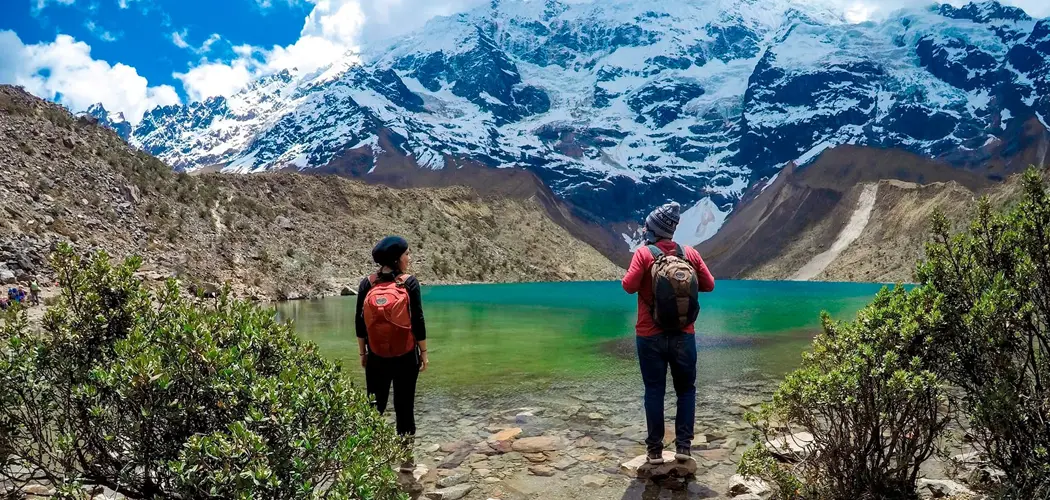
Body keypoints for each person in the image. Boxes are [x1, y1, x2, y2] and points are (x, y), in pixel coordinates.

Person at [622, 202, 716, 465]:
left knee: (654, 391)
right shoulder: (690, 254)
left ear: (653, 228)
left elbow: (628, 287)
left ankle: (654, 452)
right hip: (684, 335)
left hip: (649, 335)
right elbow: (709, 285)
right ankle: (684, 448)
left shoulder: (643, 254)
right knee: (686, 391)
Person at [356, 235, 428, 472]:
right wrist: (424, 352)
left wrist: (363, 354)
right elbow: (417, 321)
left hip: (376, 356)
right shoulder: (409, 283)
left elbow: (359, 323)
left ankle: (368, 462)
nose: (409, 258)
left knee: (374, 406)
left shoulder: (367, 283)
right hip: (406, 357)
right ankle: (406, 463)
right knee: (404, 407)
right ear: (397, 259)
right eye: (407, 254)